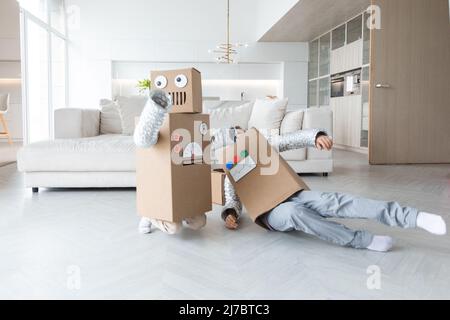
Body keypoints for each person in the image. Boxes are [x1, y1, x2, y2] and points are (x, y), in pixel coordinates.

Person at [215, 127, 447, 252]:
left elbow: (289, 139)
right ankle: (361, 240)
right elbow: (232, 200)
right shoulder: (229, 171)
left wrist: (315, 136)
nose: (240, 143)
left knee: (333, 201)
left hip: (293, 194)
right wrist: (230, 214)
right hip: (271, 215)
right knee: (295, 214)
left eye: (242, 136)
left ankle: (413, 217)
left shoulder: (260, 147)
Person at [134, 89, 206, 234]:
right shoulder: (155, 127)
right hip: (160, 186)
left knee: (200, 222)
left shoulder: (191, 124)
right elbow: (142, 139)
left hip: (183, 187)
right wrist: (157, 107)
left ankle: (179, 212)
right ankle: (150, 215)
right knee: (174, 227)